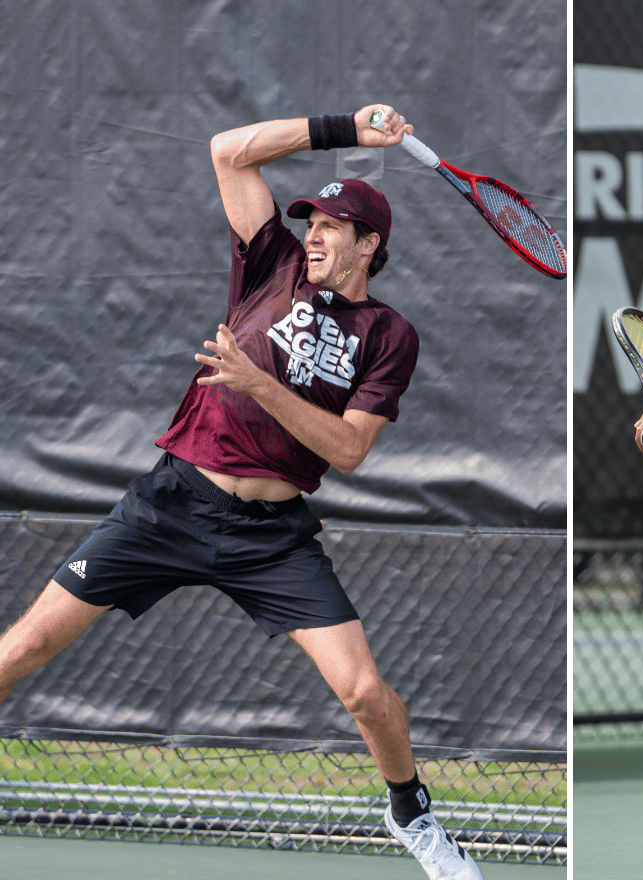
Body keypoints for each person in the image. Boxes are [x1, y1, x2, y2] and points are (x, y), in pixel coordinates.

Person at [0, 104, 481, 880]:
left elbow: (350, 449)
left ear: (370, 245)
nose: (315, 235)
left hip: (271, 536)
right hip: (172, 503)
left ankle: (411, 813)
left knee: (364, 693)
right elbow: (229, 152)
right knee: (21, 649)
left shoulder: (389, 335)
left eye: (333, 226)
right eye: (311, 222)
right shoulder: (271, 264)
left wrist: (260, 385)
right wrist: (345, 130)